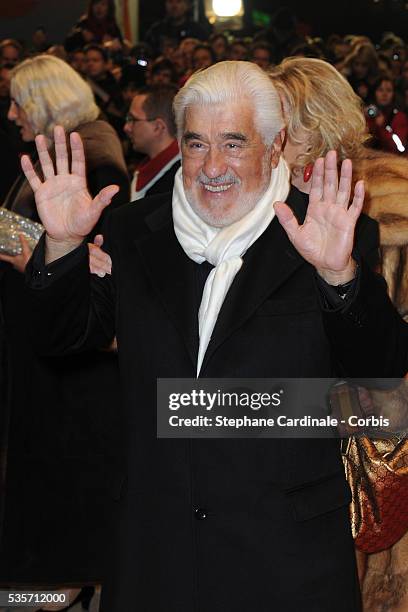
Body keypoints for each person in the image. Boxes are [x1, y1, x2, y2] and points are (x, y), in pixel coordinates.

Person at [22, 61, 407, 611]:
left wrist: (339, 276)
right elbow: (59, 339)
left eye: (234, 143)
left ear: (275, 148)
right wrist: (60, 247)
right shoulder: (135, 231)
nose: (212, 166)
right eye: (197, 144)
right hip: (157, 554)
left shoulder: (327, 230)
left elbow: (381, 375)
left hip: (286, 561)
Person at [269, 55, 408, 608]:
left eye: (277, 122)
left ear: (313, 126)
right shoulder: (266, 202)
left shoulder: (389, 213)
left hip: (375, 436)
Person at [0, 54, 129, 586]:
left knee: (63, 484)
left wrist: (30, 249)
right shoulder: (53, 153)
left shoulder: (93, 159)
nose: (9, 114)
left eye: (17, 101)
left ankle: (61, 586)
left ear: (43, 103)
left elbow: (100, 261)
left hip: (72, 358)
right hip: (43, 336)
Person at [269, 56, 408, 316]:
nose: (263, 132)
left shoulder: (392, 205)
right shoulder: (261, 194)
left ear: (313, 128)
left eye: (275, 119)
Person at [124, 84, 181, 200]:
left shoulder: (178, 180)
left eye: (132, 120)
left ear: (158, 127)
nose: (126, 127)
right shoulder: (150, 164)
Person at [144, 0, 210, 58]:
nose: (174, 6)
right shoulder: (156, 31)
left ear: (187, 5)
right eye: (170, 1)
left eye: (178, 1)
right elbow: (148, 55)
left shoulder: (197, 31)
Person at [366, 75, 408, 154]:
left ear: (394, 94)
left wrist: (382, 127)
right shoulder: (369, 114)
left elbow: (399, 148)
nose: (384, 94)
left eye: (388, 90)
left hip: (392, 161)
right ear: (374, 92)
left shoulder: (399, 117)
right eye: (380, 90)